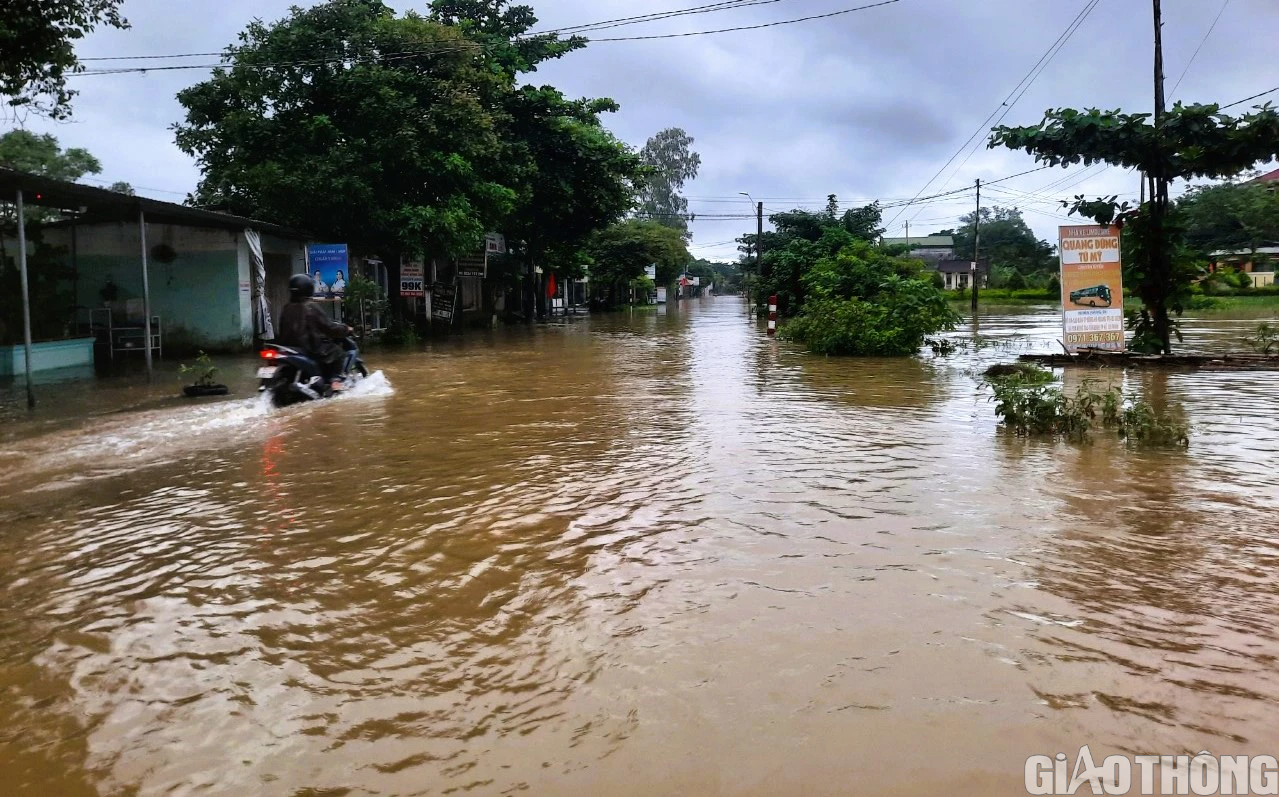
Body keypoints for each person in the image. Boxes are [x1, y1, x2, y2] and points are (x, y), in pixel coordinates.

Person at [278, 273, 353, 391]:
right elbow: (329, 328)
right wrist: (345, 329)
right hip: (309, 347)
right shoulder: (310, 306)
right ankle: (335, 381)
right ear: (309, 288)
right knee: (338, 352)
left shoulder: (287, 307)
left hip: (288, 347)